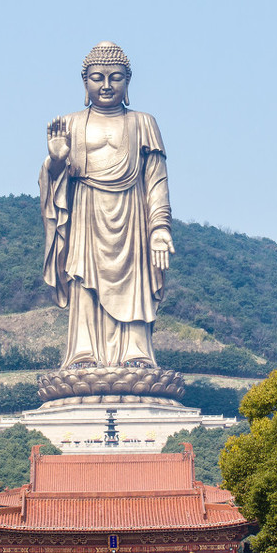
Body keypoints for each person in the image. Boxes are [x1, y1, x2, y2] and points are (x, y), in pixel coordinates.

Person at [40, 42, 175, 370]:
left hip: (132, 217)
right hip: (86, 213)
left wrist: (159, 229)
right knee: (84, 281)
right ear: (84, 82)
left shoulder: (143, 123)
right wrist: (56, 161)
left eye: (115, 78)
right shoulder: (70, 123)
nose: (106, 85)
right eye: (97, 77)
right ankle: (83, 352)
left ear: (127, 83)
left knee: (134, 283)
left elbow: (156, 181)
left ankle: (136, 352)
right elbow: (55, 182)